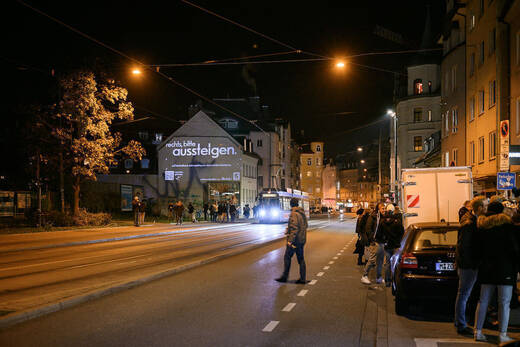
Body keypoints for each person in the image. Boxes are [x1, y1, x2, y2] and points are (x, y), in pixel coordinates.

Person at [473, 201, 519, 343]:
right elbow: (514, 249)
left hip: (487, 270)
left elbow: (477, 249)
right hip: (505, 270)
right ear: (502, 212)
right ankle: (502, 334)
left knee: (483, 301)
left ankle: (478, 331)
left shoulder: (482, 227)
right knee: (504, 303)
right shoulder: (508, 227)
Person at [454, 196, 486, 335]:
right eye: (485, 206)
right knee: (463, 294)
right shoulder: (469, 223)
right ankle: (461, 324)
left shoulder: (471, 220)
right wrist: (471, 264)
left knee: (464, 294)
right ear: (479, 208)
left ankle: (460, 322)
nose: (486, 208)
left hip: (468, 264)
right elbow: (464, 247)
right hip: (468, 265)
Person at [275, 198, 308, 284]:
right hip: (301, 240)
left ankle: (285, 277)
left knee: (287, 257)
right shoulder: (302, 213)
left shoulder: (293, 214)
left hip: (295, 241)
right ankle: (303, 278)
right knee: (301, 259)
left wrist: (290, 241)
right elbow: (305, 226)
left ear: (291, 204)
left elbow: (294, 228)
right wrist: (289, 229)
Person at [361, 203, 387, 285]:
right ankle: (364, 276)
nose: (384, 210)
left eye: (384, 208)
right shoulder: (373, 217)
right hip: (375, 242)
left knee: (380, 261)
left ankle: (379, 277)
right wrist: (372, 239)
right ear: (378, 209)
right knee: (372, 260)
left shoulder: (384, 217)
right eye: (382, 208)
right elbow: (368, 229)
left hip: (382, 242)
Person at [382, 204, 404, 287]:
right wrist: (398, 241)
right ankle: (395, 280)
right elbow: (401, 232)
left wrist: (384, 240)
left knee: (388, 263)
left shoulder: (383, 222)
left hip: (387, 245)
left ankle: (387, 281)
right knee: (395, 264)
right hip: (395, 245)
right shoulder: (397, 221)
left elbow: (380, 233)